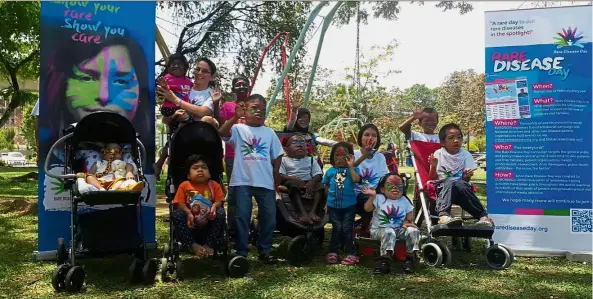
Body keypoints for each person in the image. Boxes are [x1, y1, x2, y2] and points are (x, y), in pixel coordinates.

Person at [218, 94, 284, 264]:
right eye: (254, 108)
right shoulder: (239, 129)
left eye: (262, 110)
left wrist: (276, 174)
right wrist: (234, 117)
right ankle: (242, 251)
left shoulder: (269, 132)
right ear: (245, 110)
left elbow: (277, 154)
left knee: (269, 216)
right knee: (241, 216)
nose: (258, 112)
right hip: (242, 182)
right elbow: (222, 133)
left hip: (265, 182)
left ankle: (265, 250)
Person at [428, 123, 493, 226]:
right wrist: (434, 166)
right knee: (449, 182)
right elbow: (431, 178)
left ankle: (483, 217)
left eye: (459, 137)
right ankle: (444, 216)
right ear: (442, 142)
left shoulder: (466, 155)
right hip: (443, 190)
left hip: (461, 190)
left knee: (460, 183)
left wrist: (467, 176)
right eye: (451, 138)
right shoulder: (438, 154)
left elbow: (465, 181)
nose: (456, 140)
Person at [362, 173, 419, 274]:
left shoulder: (404, 200)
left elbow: (409, 215)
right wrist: (372, 197)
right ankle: (384, 261)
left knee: (413, 231)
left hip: (398, 229)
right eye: (391, 184)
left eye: (399, 185)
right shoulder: (379, 198)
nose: (395, 187)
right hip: (379, 230)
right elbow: (367, 209)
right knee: (389, 232)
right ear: (383, 189)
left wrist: (408, 222)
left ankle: (409, 260)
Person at [172, 154, 225, 257]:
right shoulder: (185, 185)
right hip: (190, 223)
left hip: (209, 221)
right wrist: (188, 213)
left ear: (209, 174)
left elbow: (219, 201)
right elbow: (179, 203)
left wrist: (214, 206)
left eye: (204, 167)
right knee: (177, 214)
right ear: (188, 175)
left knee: (221, 212)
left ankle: (209, 245)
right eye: (195, 168)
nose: (200, 170)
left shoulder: (214, 185)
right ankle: (193, 245)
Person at [218, 75, 250, 234]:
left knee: (249, 192)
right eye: (238, 84)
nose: (242, 86)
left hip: (252, 157)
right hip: (232, 157)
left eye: (245, 84)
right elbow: (222, 129)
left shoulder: (254, 105)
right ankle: (232, 229)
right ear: (233, 88)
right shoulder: (227, 106)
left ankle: (246, 226)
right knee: (234, 193)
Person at [153, 53, 194, 180]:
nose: (176, 66)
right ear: (169, 67)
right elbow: (160, 90)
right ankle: (160, 164)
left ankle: (161, 164)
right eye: (173, 64)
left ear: (185, 67)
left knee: (176, 138)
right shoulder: (167, 78)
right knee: (174, 137)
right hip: (170, 109)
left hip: (185, 108)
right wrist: (163, 88)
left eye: (180, 64)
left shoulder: (188, 81)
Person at [322, 142, 361, 265]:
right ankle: (333, 251)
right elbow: (326, 187)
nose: (339, 159)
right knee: (336, 228)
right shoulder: (330, 171)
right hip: (333, 206)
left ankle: (351, 253)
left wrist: (351, 166)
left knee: (347, 228)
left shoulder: (353, 170)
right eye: (336, 156)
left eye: (343, 156)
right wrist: (326, 203)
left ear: (350, 156)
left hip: (349, 206)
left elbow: (356, 180)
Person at [353, 124, 389, 238]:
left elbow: (385, 177)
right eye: (367, 135)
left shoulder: (380, 157)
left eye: (374, 135)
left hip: (377, 191)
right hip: (359, 193)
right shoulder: (354, 154)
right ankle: (364, 228)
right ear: (360, 138)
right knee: (371, 199)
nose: (370, 138)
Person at [279, 134, 324, 223]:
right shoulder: (284, 160)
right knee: (293, 184)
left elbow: (318, 174)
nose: (299, 145)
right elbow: (281, 175)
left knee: (321, 186)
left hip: (309, 182)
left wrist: (312, 182)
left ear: (307, 148)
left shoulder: (310, 160)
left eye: (302, 143)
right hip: (291, 181)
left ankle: (313, 212)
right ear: (286, 150)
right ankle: (301, 212)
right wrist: (295, 179)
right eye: (295, 143)